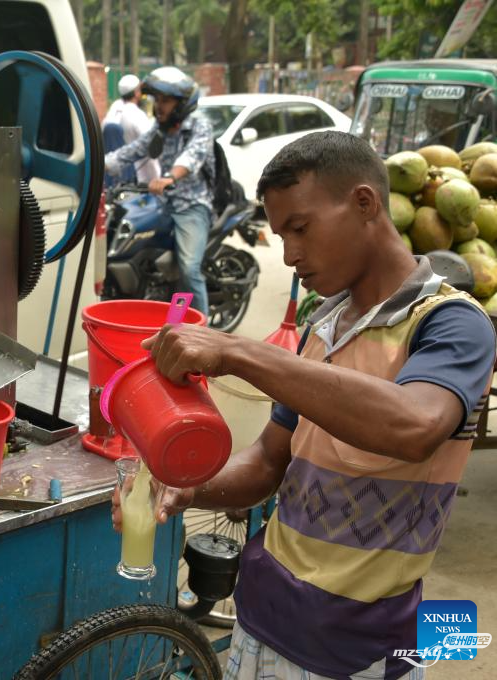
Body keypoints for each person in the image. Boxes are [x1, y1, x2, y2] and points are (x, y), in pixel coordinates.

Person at [114, 131, 496, 680]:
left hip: (357, 651)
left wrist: (237, 351)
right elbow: (270, 460)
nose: (290, 254)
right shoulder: (324, 324)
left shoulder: (450, 324)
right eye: (280, 235)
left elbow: (415, 425)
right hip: (263, 618)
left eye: (300, 228)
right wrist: (186, 486)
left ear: (364, 203)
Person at [105, 66, 214, 316]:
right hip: (163, 204)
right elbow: (131, 151)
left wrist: (169, 177)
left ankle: (204, 331)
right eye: (157, 100)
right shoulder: (159, 130)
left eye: (165, 101)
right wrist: (96, 164)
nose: (159, 106)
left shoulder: (200, 127)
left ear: (181, 104)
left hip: (192, 206)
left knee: (188, 268)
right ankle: (162, 309)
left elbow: (192, 157)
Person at [102, 73, 159, 187]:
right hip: (136, 178)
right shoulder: (137, 115)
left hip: (109, 174)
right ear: (137, 92)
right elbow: (150, 145)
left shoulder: (114, 109)